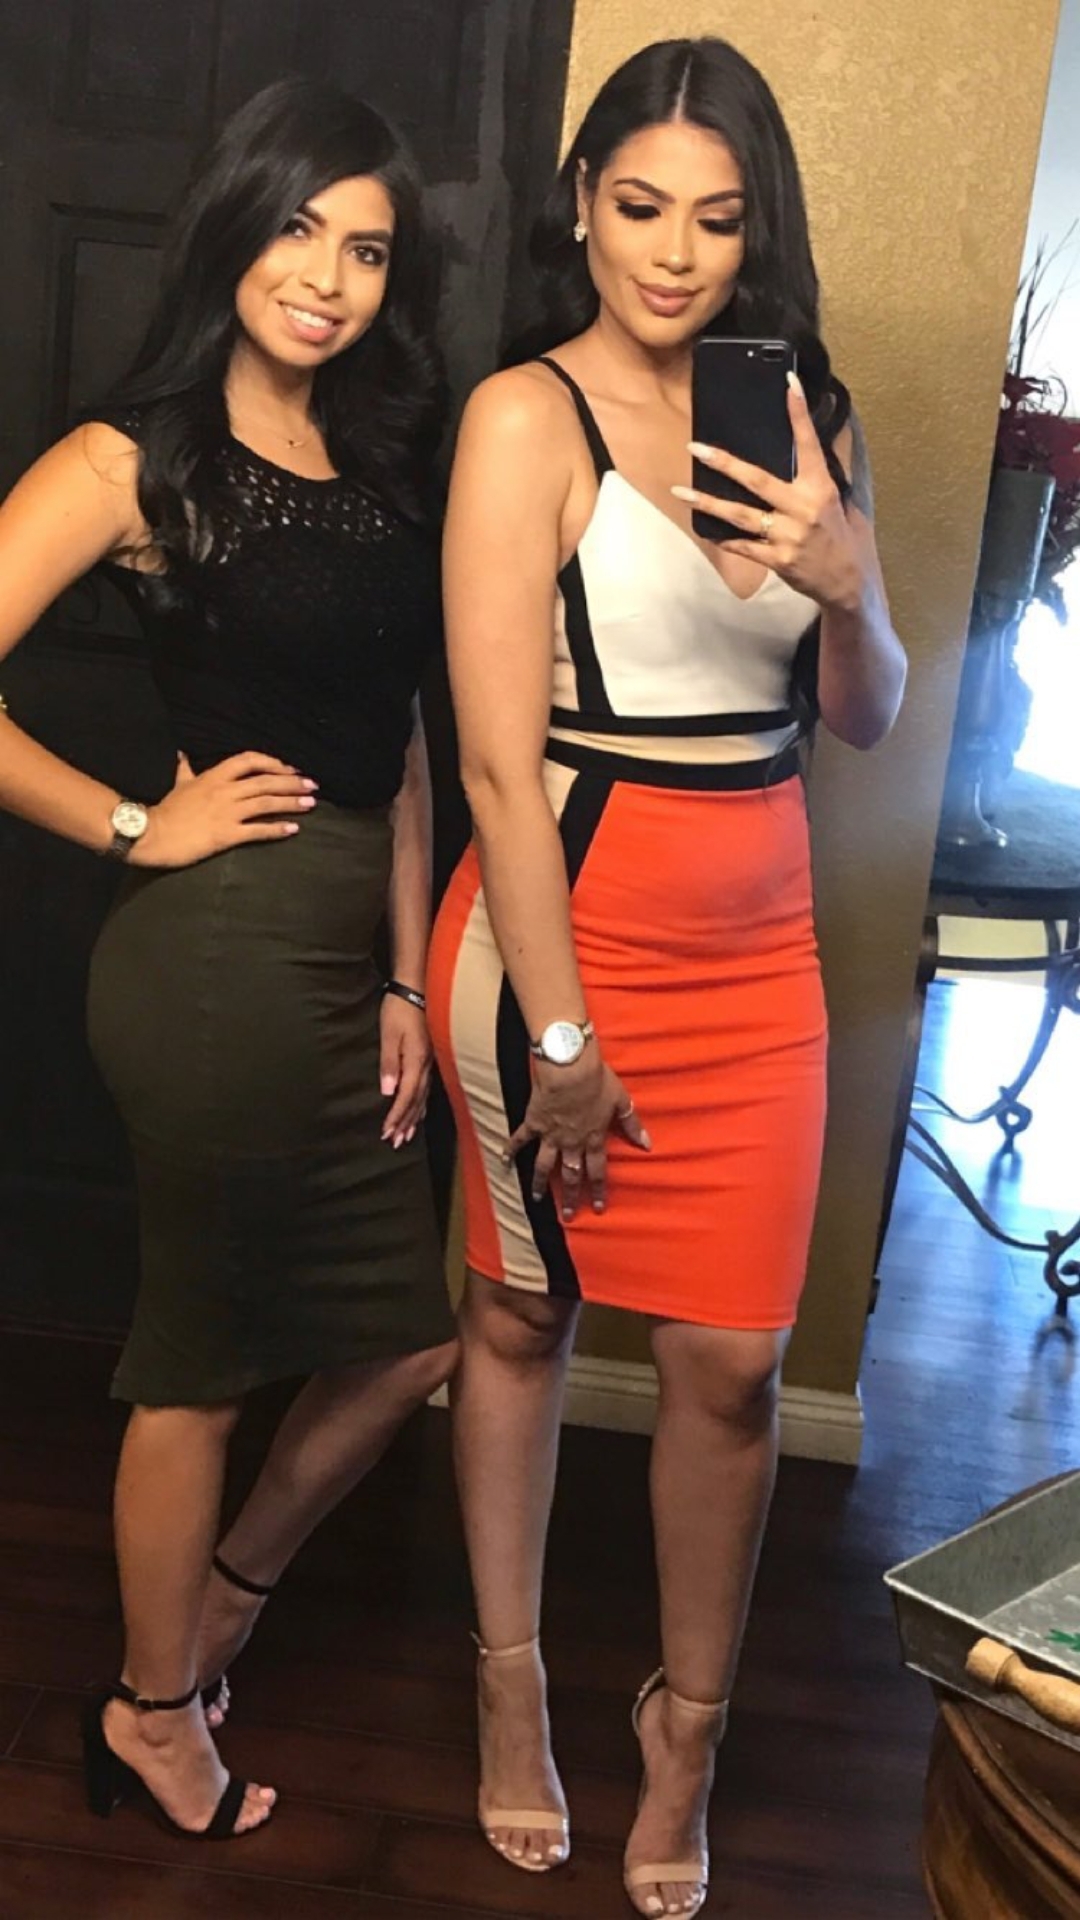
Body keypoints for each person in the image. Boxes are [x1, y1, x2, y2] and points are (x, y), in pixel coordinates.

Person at [427, 35, 906, 1918]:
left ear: (755, 229)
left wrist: (851, 581)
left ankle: (684, 1729)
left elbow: (862, 719)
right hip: (560, 942)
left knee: (733, 1370)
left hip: (757, 959)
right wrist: (559, 1033)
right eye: (640, 206)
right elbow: (492, 765)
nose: (675, 252)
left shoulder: (807, 413)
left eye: (716, 217)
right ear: (582, 205)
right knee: (519, 1324)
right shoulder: (522, 417)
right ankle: (512, 1685)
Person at [0, 78, 458, 1840]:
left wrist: (408, 978)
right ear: (233, 224)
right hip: (213, 967)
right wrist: (138, 823)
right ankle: (151, 1712)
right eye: (298, 228)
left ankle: (220, 1610)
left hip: (347, 960)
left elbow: (404, 748)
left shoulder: (386, 457)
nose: (328, 278)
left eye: (367, 251)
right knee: (195, 1359)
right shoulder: (134, 456)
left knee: (404, 1344)